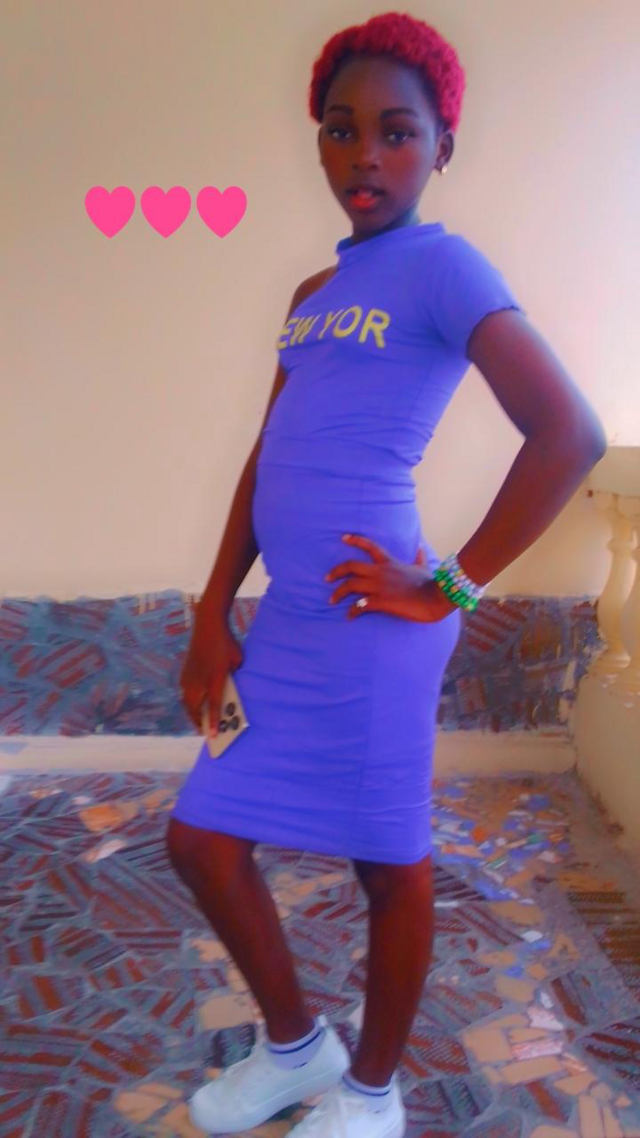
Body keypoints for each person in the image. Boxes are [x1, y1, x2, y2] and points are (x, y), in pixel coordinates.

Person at [166, 12, 607, 1137]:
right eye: (341, 128)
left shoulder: (445, 266)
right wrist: (213, 610)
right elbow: (266, 456)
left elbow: (568, 433)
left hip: (377, 630)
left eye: (397, 132)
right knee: (202, 838)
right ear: (318, 140)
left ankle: (372, 1093)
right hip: (290, 622)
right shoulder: (312, 294)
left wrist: (449, 586)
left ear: (439, 147)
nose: (366, 154)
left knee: (386, 862)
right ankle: (295, 1049)